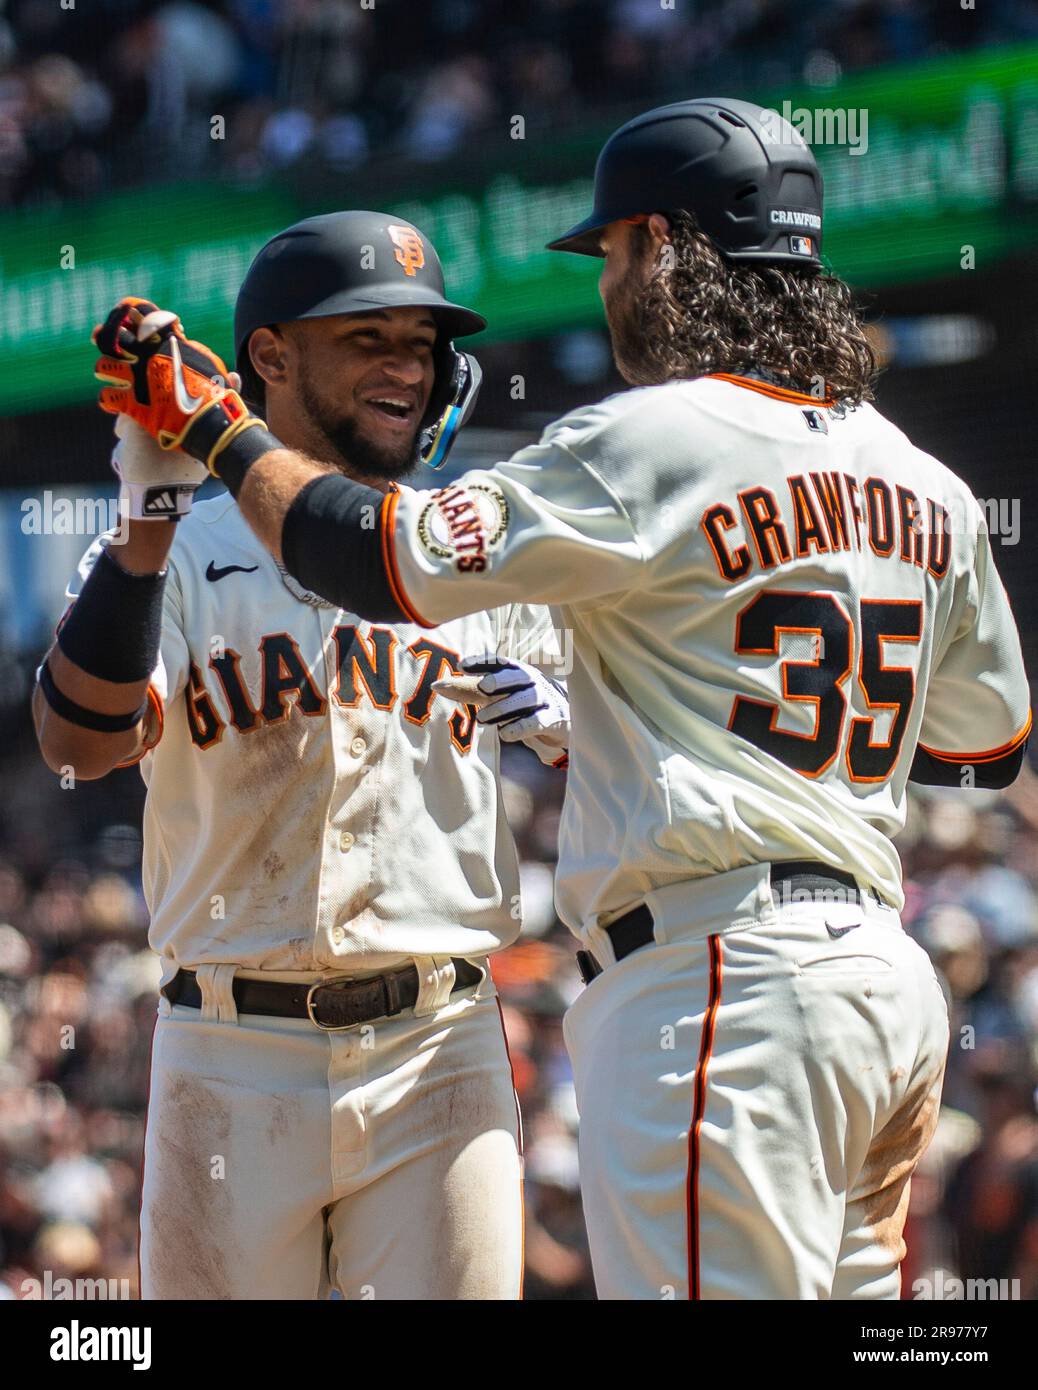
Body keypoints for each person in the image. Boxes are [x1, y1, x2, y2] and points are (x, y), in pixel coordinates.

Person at [89, 100, 1030, 1300]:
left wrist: (213, 425)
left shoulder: (649, 437)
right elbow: (984, 746)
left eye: (617, 251)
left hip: (723, 987)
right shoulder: (924, 479)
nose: (607, 283)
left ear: (669, 248)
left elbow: (378, 558)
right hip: (882, 985)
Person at [34, 210, 572, 1300]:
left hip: (440, 1037)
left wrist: (579, 726)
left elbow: (641, 750)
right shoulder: (183, 551)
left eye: (421, 344)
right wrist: (145, 524)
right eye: (368, 337)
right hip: (231, 1048)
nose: (406, 369)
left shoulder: (471, 545)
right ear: (269, 356)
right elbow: (78, 746)